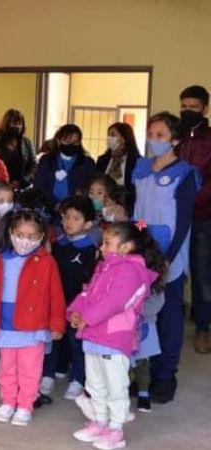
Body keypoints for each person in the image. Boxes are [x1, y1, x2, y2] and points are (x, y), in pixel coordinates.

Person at [68, 222, 166, 450]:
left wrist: (87, 317)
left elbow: (115, 302)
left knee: (116, 386)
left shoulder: (131, 271)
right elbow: (86, 293)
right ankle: (99, 421)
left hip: (113, 338)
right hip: (93, 336)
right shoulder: (104, 267)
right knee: (95, 384)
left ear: (125, 247)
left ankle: (115, 430)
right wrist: (75, 312)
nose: (101, 248)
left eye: (107, 243)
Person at [0, 209, 66, 426]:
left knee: (30, 369)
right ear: (11, 233)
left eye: (32, 236)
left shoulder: (47, 262)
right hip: (5, 323)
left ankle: (25, 405)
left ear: (41, 236)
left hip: (33, 326)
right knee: (6, 368)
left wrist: (57, 324)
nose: (25, 241)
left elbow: (56, 295)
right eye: (20, 235)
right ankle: (7, 401)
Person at [133, 112, 200, 404]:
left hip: (169, 253)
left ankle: (165, 374)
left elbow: (183, 221)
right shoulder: (141, 168)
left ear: (174, 140)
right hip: (140, 249)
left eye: (160, 135)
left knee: (168, 315)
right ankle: (143, 373)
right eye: (151, 134)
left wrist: (168, 257)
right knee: (141, 313)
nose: (154, 140)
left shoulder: (185, 173)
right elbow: (137, 208)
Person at [40, 196, 99, 404]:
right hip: (57, 302)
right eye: (66, 217)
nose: (68, 222)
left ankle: (78, 379)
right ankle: (48, 375)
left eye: (75, 218)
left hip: (78, 307)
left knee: (77, 342)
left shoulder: (92, 250)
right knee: (53, 339)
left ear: (88, 224)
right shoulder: (57, 246)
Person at [175, 85, 211, 355]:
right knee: (170, 267)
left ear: (205, 109)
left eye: (193, 107)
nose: (188, 111)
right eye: (184, 106)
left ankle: (202, 328)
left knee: (201, 273)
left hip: (202, 215)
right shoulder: (175, 135)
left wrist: (191, 200)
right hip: (174, 214)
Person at [33, 124, 97, 216]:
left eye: (75, 142)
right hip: (49, 210)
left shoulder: (87, 163)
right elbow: (39, 186)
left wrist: (73, 205)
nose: (71, 145)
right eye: (67, 141)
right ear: (58, 141)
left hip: (77, 211)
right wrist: (55, 205)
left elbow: (91, 187)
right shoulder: (47, 160)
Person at [0, 109, 36, 189]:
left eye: (20, 124)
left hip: (22, 187)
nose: (18, 126)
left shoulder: (27, 142)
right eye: (14, 123)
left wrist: (23, 181)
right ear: (6, 124)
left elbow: (34, 166)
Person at [96, 122, 141, 193]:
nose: (109, 138)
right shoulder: (102, 160)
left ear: (124, 139)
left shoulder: (136, 161)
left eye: (113, 135)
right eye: (108, 135)